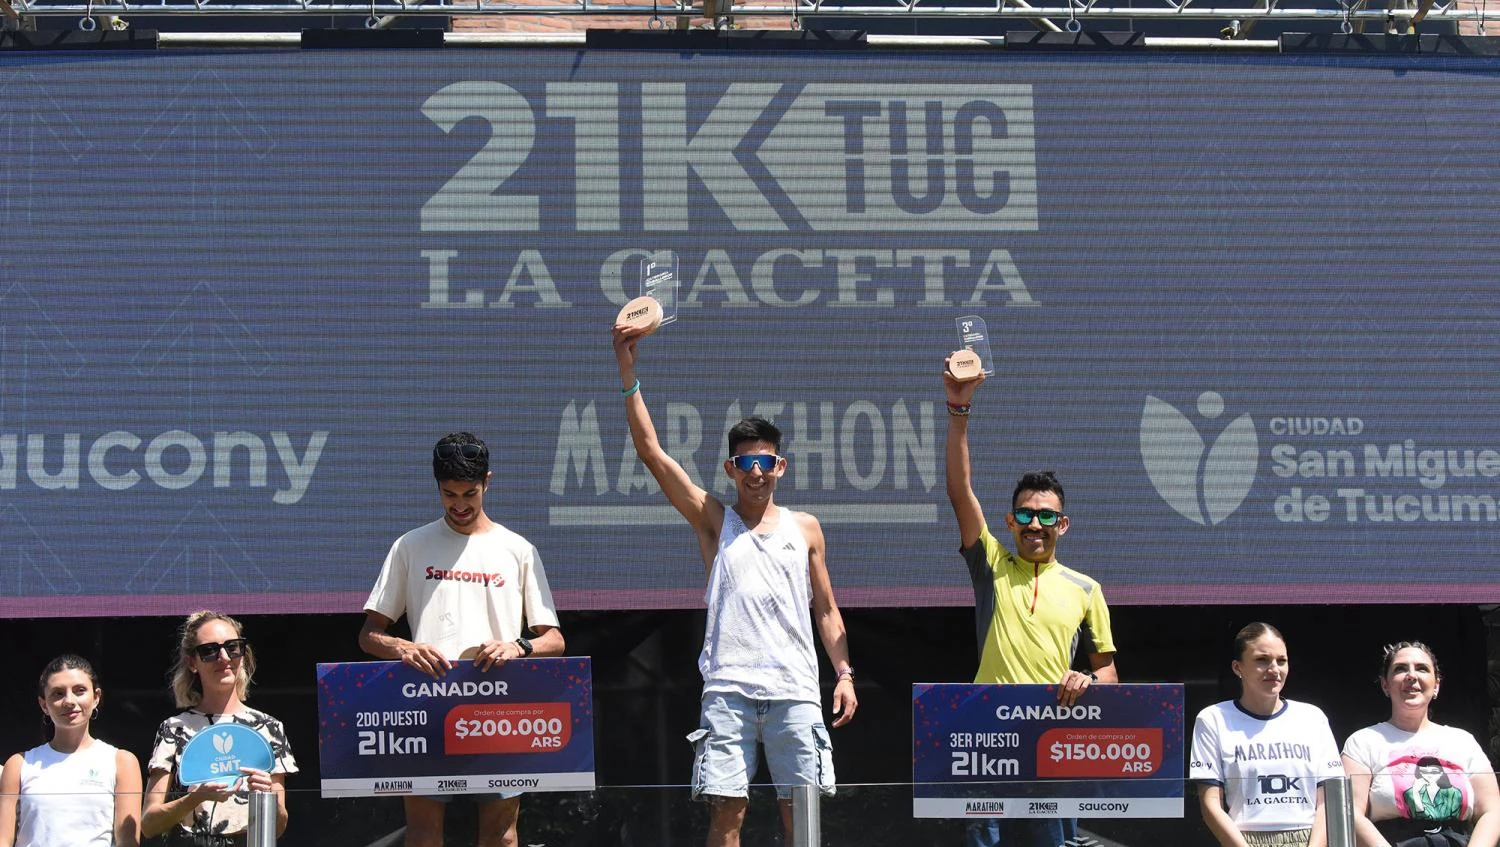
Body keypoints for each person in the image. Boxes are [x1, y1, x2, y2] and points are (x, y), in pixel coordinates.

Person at [612, 324, 858, 847]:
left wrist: (844, 673)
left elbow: (828, 611)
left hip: (795, 694)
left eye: (765, 461)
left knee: (804, 822)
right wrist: (628, 371)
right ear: (731, 468)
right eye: (746, 462)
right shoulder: (713, 520)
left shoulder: (806, 527)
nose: (756, 472)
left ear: (780, 466)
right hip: (728, 693)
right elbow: (653, 455)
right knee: (727, 819)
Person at [358, 432, 565, 847]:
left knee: (502, 835)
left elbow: (555, 640)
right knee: (423, 834)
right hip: (426, 708)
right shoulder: (410, 545)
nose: (459, 504)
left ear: (488, 481)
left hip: (499, 709)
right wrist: (406, 647)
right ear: (436, 487)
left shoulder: (517, 549)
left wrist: (518, 645)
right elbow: (369, 636)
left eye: (469, 492)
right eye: (449, 493)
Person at [942, 363, 1117, 847]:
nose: (1034, 524)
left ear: (1063, 524)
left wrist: (1087, 678)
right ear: (1010, 521)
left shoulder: (1086, 588)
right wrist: (960, 408)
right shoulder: (992, 563)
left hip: (1050, 738)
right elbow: (960, 492)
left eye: (1046, 515)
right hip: (986, 738)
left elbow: (1108, 673)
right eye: (1024, 514)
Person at [143, 611, 295, 847]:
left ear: (242, 656)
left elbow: (279, 828)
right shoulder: (174, 729)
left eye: (233, 647)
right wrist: (195, 798)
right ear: (192, 662)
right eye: (209, 650)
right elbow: (149, 824)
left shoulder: (269, 727)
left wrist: (270, 801)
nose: (223, 657)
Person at [1189, 622, 1342, 847]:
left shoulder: (1313, 717)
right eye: (1262, 660)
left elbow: (1329, 800)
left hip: (1311, 838)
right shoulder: (1213, 719)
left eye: (1281, 660)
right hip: (1243, 839)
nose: (1274, 669)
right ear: (1237, 667)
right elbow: (1210, 803)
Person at [1342, 642, 1500, 847]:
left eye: (1422, 668)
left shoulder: (1463, 741)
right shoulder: (1363, 741)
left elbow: (1492, 810)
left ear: (1436, 686)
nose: (1411, 676)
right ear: (1385, 685)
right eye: (1400, 669)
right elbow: (1350, 812)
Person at [0, 654, 142, 847]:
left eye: (80, 690)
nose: (69, 701)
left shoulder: (121, 761)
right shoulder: (19, 764)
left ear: (96, 697)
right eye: (58, 693)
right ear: (44, 705)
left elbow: (128, 842)